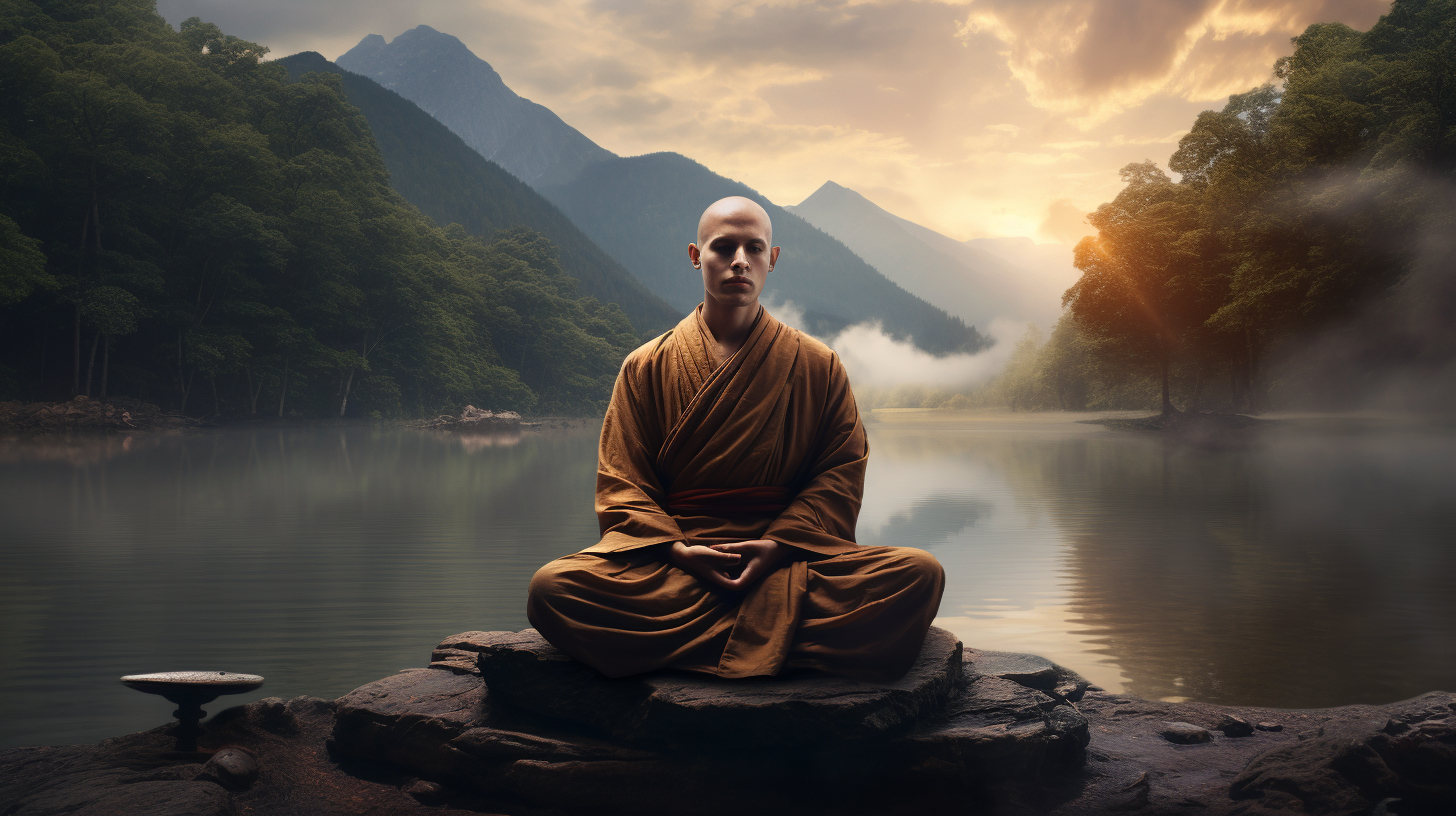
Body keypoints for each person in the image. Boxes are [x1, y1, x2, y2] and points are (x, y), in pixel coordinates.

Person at [527, 196, 944, 682]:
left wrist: (776, 546)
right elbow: (622, 484)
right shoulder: (645, 366)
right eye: (723, 247)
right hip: (679, 564)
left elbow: (841, 475)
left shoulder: (817, 364)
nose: (740, 261)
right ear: (694, 255)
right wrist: (679, 551)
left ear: (774, 258)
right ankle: (780, 640)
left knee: (919, 574)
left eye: (754, 248)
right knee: (552, 589)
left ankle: (692, 644)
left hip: (788, 559)